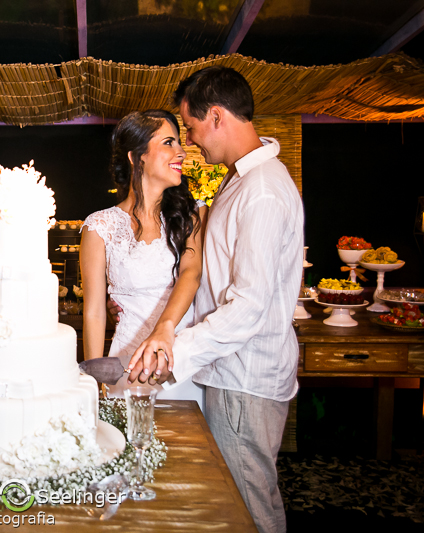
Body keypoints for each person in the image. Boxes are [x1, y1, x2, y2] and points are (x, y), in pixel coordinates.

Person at [117, 66, 304, 533]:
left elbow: (250, 306)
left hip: (244, 377)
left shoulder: (261, 191)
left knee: (247, 504)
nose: (192, 143)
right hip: (227, 371)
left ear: (217, 116)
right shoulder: (241, 181)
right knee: (231, 498)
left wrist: (173, 348)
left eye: (193, 128)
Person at [80, 109, 207, 408]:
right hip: (125, 364)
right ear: (138, 157)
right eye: (169, 143)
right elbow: (95, 312)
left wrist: (164, 330)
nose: (181, 152)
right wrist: (94, 381)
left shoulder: (192, 213)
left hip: (180, 361)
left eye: (179, 142)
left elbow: (192, 273)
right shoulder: (99, 226)